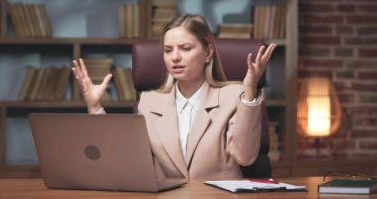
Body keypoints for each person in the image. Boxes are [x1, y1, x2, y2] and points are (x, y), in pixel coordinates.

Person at [72, 14, 276, 179]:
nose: (175, 57)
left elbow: (246, 157)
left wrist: (250, 91)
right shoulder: (150, 101)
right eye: (168, 50)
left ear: (208, 53)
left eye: (185, 48)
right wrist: (95, 107)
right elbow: (124, 158)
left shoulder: (234, 95)